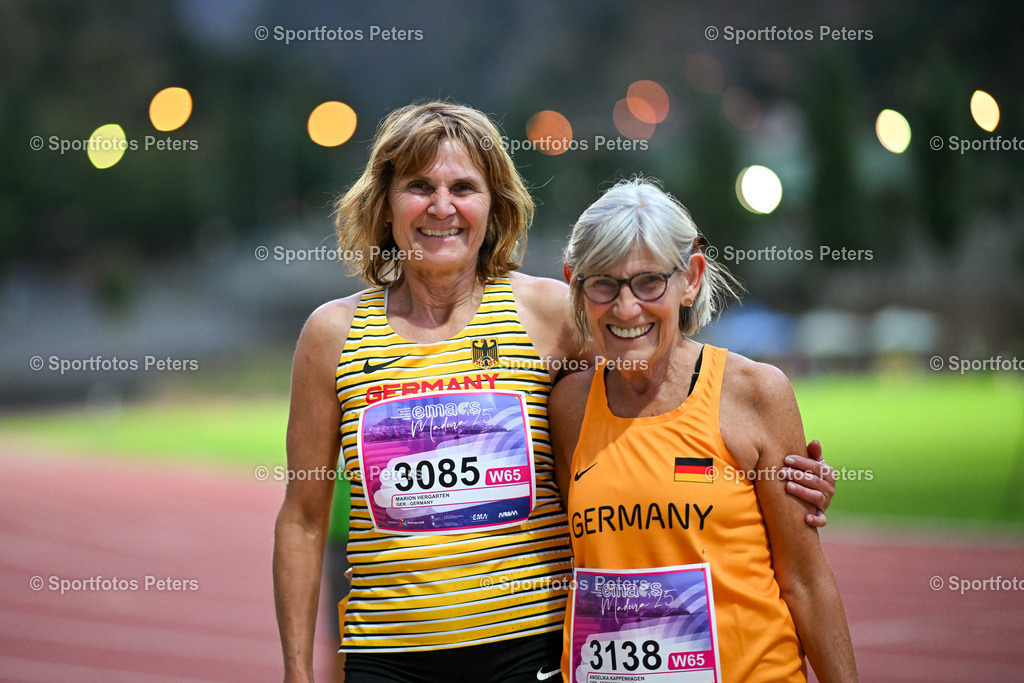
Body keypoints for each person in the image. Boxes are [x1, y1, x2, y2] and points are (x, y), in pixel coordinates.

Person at [273, 102, 838, 683]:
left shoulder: (546, 314)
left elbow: (657, 378)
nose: (442, 207)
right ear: (384, 201)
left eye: (463, 188)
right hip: (389, 653)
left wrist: (772, 467)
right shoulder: (331, 334)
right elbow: (303, 518)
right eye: (419, 186)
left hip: (530, 650)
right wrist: (297, 671)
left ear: (493, 204)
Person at [551, 178, 857, 682]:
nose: (626, 308)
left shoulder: (755, 393)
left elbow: (804, 580)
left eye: (649, 282)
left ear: (690, 278)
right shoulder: (569, 407)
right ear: (575, 286)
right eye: (603, 283)